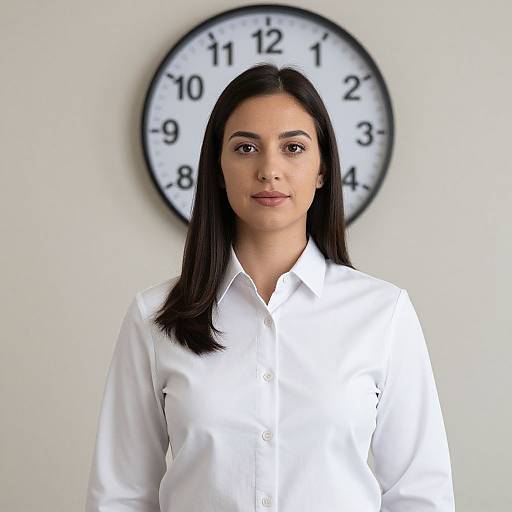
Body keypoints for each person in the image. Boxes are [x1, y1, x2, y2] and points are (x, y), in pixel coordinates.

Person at [85, 63, 455, 511]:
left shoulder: (383, 313)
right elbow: (121, 496)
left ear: (322, 170)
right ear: (218, 170)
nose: (269, 170)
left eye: (293, 147)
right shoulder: (154, 316)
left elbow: (419, 495)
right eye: (245, 148)